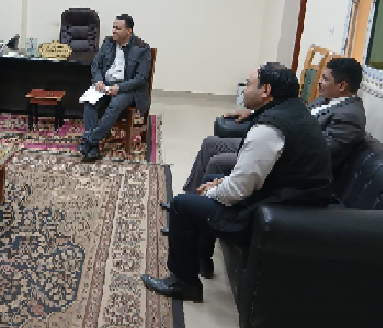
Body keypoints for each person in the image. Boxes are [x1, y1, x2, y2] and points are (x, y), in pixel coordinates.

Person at [142, 63, 334, 302]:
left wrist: (210, 192)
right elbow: (254, 176)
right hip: (289, 196)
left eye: (249, 84)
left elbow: (238, 190)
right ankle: (201, 260)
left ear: (266, 90)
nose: (243, 89)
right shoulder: (293, 110)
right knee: (211, 180)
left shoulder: (269, 130)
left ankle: (184, 283)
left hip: (279, 209)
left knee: (183, 205)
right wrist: (218, 184)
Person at [184, 57, 366, 191]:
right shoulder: (324, 100)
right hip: (277, 143)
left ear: (342, 85)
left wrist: (269, 144)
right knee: (210, 144)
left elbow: (321, 152)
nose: (319, 82)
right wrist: (255, 112)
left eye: (325, 78)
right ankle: (190, 195)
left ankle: (204, 208)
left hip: (284, 158)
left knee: (218, 161)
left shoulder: (349, 116)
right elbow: (293, 113)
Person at [78, 14, 151, 160]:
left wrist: (119, 88)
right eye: (113, 27)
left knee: (115, 104)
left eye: (118, 28)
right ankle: (93, 147)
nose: (114, 31)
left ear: (129, 31)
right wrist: (98, 80)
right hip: (105, 84)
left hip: (128, 88)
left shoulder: (142, 48)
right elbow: (96, 65)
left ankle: (89, 140)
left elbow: (141, 79)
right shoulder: (108, 43)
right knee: (89, 102)